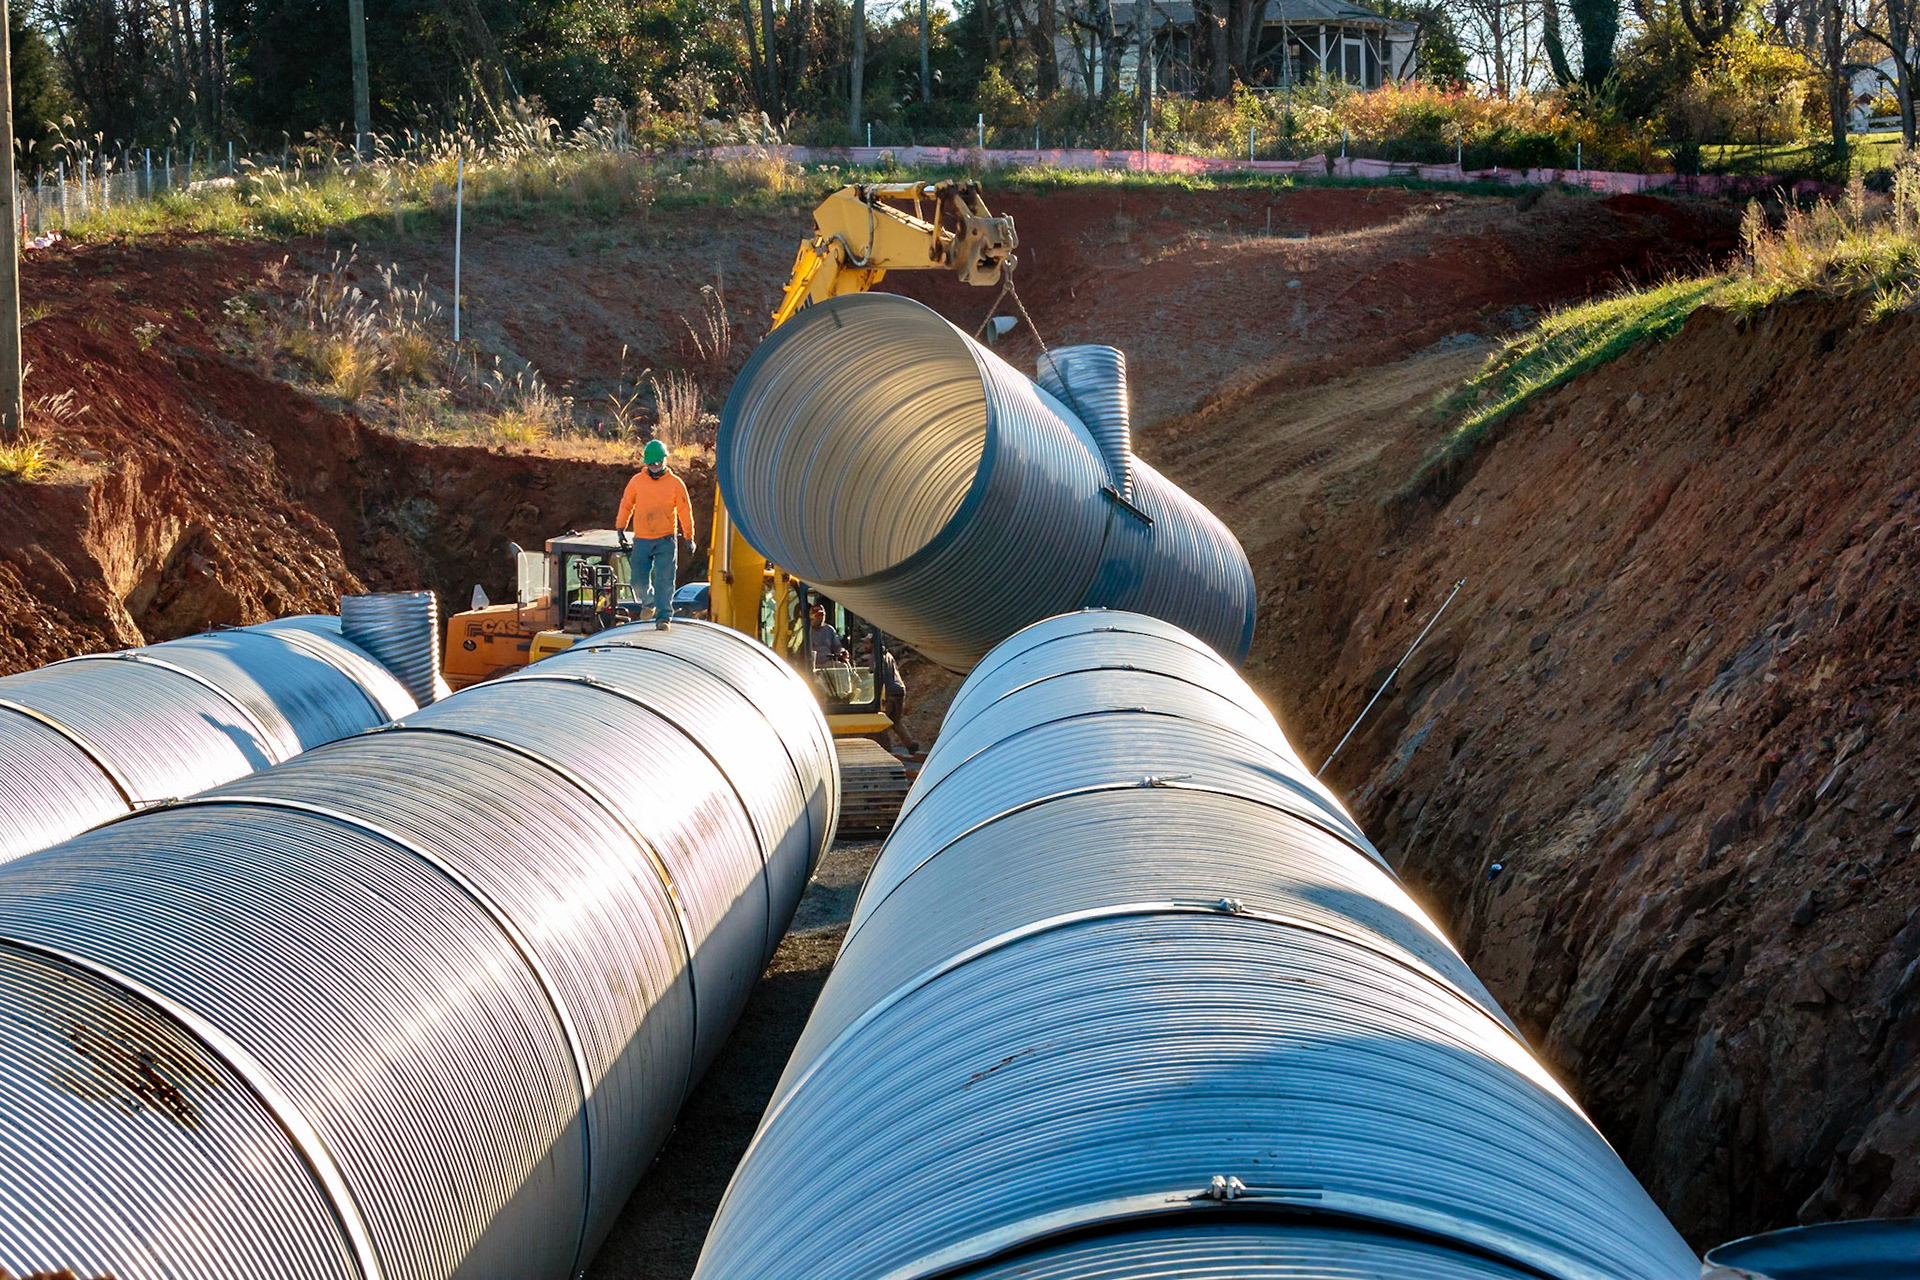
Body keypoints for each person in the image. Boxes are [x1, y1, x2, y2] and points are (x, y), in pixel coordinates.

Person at [616, 439, 696, 631]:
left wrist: (689, 538)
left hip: (666, 540)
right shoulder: (636, 482)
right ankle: (649, 601)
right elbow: (627, 504)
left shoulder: (676, 484)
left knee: (665, 580)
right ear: (646, 463)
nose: (655, 467)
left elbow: (685, 511)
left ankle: (663, 618)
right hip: (642, 539)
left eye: (658, 462)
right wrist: (620, 527)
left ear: (665, 460)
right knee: (637, 581)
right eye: (651, 464)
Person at [878, 644, 920, 754]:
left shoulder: (877, 657)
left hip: (889, 693)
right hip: (899, 690)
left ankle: (885, 749)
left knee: (880, 723)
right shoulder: (888, 655)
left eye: (867, 643)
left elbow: (877, 676)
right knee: (895, 721)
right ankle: (911, 744)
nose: (865, 645)